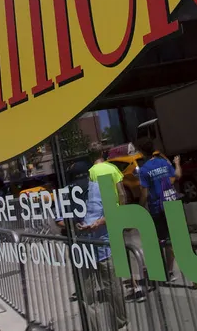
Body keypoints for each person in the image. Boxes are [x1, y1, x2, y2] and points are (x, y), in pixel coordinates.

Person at [78, 174, 128, 329]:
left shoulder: (99, 188)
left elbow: (113, 211)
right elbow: (60, 219)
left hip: (104, 249)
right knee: (89, 296)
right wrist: (74, 225)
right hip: (84, 253)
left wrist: (98, 223)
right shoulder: (69, 193)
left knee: (113, 290)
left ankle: (120, 323)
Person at [135, 137, 183, 282]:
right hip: (172, 203)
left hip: (157, 207)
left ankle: (160, 269)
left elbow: (144, 193)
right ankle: (169, 271)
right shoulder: (163, 162)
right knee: (173, 239)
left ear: (142, 152)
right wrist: (177, 163)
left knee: (163, 239)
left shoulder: (144, 170)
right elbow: (178, 175)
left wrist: (140, 208)